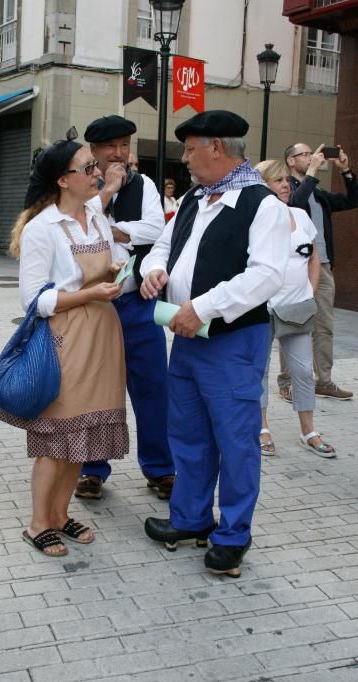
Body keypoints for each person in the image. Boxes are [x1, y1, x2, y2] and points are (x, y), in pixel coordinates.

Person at [141, 110, 290, 577]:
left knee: (235, 440)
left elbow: (266, 276)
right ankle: (191, 519)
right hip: (186, 337)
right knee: (187, 433)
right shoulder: (194, 198)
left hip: (231, 340)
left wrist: (202, 307)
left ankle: (233, 534)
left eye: (189, 149)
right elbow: (164, 246)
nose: (183, 158)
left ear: (217, 149)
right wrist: (153, 273)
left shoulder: (262, 204)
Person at [0, 132, 129, 557]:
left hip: (104, 334)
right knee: (57, 438)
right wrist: (91, 293)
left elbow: (102, 268)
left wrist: (115, 269)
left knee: (84, 436)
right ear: (62, 180)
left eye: (96, 166)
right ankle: (38, 523)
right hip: (65, 338)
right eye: (88, 168)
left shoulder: (96, 215)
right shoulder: (42, 228)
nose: (98, 173)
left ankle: (59, 514)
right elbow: (36, 299)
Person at [75, 115, 174, 501]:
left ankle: (161, 468)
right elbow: (73, 227)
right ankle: (92, 469)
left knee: (153, 387)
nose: (119, 153)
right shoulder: (78, 183)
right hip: (93, 304)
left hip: (136, 302)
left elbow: (156, 229)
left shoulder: (144, 183)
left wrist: (112, 229)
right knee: (96, 390)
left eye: (125, 145)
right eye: (111, 146)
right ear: (94, 150)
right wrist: (108, 196)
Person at [256, 160, 336, 459]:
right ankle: (262, 428)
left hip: (297, 307)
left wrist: (310, 293)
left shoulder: (301, 216)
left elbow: (313, 257)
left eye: (286, 181)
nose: (286, 185)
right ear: (263, 185)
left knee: (302, 370)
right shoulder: (256, 216)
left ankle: (308, 431)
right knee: (259, 371)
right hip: (261, 308)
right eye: (277, 181)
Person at [278, 142, 358, 402]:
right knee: (291, 323)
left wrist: (346, 171)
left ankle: (324, 381)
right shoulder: (284, 186)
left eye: (313, 153)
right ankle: (287, 382)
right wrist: (312, 172)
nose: (313, 157)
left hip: (322, 267)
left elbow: (352, 199)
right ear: (291, 160)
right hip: (296, 268)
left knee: (325, 327)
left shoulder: (318, 192)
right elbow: (295, 205)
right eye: (305, 154)